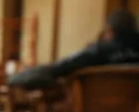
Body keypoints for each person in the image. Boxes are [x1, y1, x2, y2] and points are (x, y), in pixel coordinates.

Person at [8, 9, 139, 88]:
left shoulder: (99, 51)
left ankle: (14, 78)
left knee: (46, 72)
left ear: (110, 30)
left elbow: (62, 66)